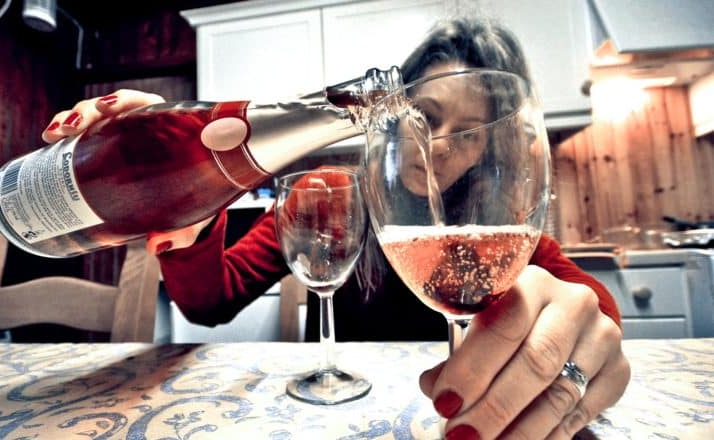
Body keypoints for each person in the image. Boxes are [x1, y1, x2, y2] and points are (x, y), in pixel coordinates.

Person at [41, 16, 629, 440]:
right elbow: (212, 300)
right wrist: (174, 183)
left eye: (470, 132)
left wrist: (580, 332)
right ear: (390, 112)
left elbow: (587, 307)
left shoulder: (499, 235)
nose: (438, 146)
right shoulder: (330, 196)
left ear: (490, 148)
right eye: (426, 116)